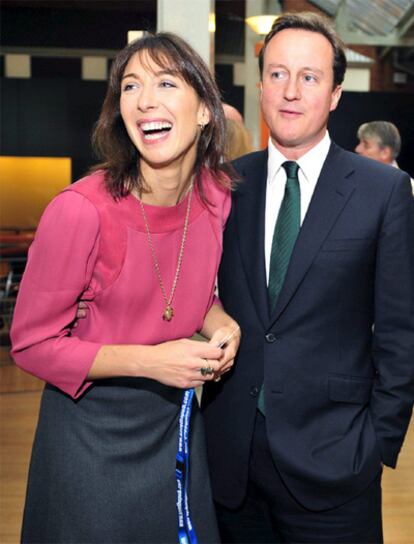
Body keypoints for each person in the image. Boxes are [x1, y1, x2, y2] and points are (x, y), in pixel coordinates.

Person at [11, 32, 240, 544]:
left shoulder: (215, 198)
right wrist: (151, 361)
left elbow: (188, 294)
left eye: (165, 82)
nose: (144, 100)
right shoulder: (80, 210)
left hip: (175, 427)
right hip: (89, 435)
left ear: (206, 110)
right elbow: (31, 344)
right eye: (130, 86)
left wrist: (220, 321)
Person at [202, 12, 414, 544]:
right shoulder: (226, 185)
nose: (290, 91)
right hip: (232, 465)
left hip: (337, 466)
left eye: (309, 77)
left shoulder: (381, 192)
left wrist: (376, 445)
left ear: (337, 93)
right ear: (261, 85)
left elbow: (399, 330)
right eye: (277, 74)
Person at [355, 120, 414, 194]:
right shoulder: (354, 180)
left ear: (385, 153)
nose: (357, 149)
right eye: (360, 143)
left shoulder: (408, 189)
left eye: (366, 145)